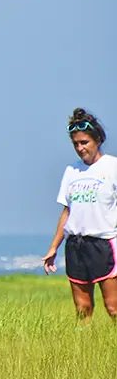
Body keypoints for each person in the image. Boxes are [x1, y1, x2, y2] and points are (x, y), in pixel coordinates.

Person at [42, 108, 117, 321]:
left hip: (104, 243)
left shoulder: (112, 167)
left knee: (113, 307)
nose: (80, 148)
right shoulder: (71, 171)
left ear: (98, 140)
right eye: (76, 143)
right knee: (82, 309)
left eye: (85, 142)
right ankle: (82, 346)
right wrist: (53, 248)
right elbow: (66, 212)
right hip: (76, 244)